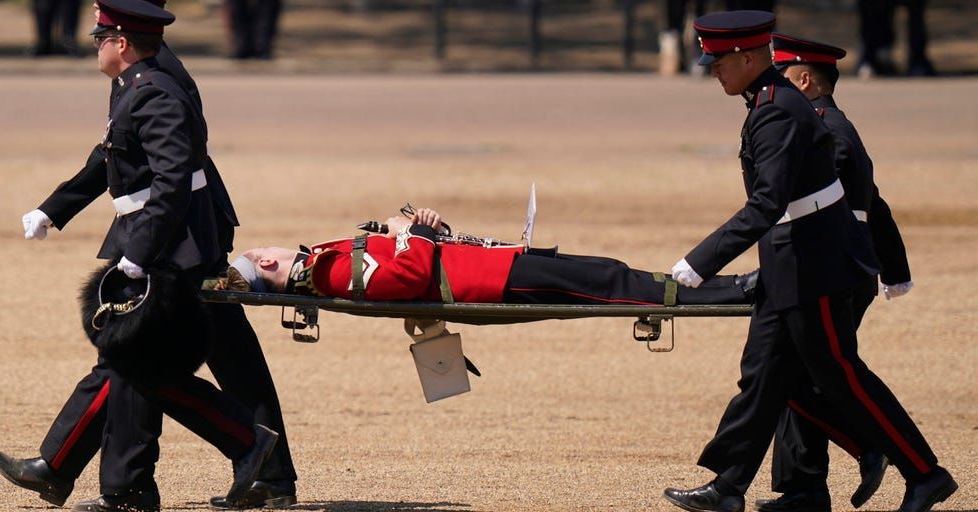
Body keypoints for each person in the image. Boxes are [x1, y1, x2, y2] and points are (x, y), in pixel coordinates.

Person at [0, 1, 283, 510]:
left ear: (121, 42)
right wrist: (53, 209)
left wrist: (139, 256)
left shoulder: (156, 89)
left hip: (172, 242)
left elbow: (173, 183)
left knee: (135, 360)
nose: (96, 45)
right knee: (128, 360)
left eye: (100, 37)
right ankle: (82, 472)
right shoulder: (135, 82)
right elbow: (112, 154)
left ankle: (205, 458)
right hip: (156, 234)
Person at [661, 10, 955, 512]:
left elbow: (768, 202)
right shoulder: (767, 101)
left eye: (718, 61)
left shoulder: (776, 109)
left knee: (838, 374)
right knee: (764, 374)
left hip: (813, 263)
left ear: (749, 57)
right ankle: (729, 486)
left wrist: (700, 261)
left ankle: (924, 473)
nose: (712, 70)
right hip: (790, 261)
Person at [752, 33, 918, 512]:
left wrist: (885, 270)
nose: (774, 87)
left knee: (816, 377)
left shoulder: (828, 131)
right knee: (800, 377)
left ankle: (877, 450)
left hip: (830, 270)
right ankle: (805, 489)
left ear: (805, 81)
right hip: (828, 266)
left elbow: (858, 207)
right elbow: (876, 204)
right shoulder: (825, 126)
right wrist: (893, 270)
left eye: (781, 77)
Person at [214, 207, 757, 307]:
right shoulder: (325, 271)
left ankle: (726, 288)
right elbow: (406, 275)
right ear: (265, 265)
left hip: (488, 266)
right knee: (609, 281)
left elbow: (411, 257)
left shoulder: (324, 265)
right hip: (490, 280)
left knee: (607, 273)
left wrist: (428, 229)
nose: (275, 248)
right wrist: (414, 233)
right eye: (265, 251)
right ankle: (733, 290)